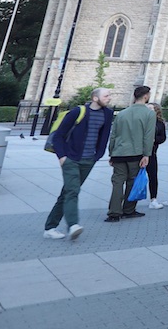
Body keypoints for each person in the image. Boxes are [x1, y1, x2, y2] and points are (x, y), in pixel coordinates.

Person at [42, 88, 115, 241]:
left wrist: (98, 155)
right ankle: (73, 225)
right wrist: (62, 157)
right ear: (95, 98)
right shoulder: (78, 112)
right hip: (71, 158)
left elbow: (104, 135)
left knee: (68, 192)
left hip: (89, 160)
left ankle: (50, 227)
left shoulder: (107, 114)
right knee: (73, 191)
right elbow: (59, 136)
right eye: (106, 95)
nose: (109, 98)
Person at [106, 86, 154, 222]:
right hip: (136, 153)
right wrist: (146, 154)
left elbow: (113, 135)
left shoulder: (122, 113)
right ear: (146, 96)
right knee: (132, 182)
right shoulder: (149, 114)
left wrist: (111, 153)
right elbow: (148, 136)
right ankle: (128, 209)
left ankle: (114, 212)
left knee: (117, 182)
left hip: (119, 152)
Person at [145, 103, 168, 209]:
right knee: (134, 177)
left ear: (156, 111)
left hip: (152, 153)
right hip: (139, 153)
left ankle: (153, 199)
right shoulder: (142, 120)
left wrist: (155, 140)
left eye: (150, 108)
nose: (148, 110)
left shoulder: (159, 123)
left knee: (153, 176)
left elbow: (163, 137)